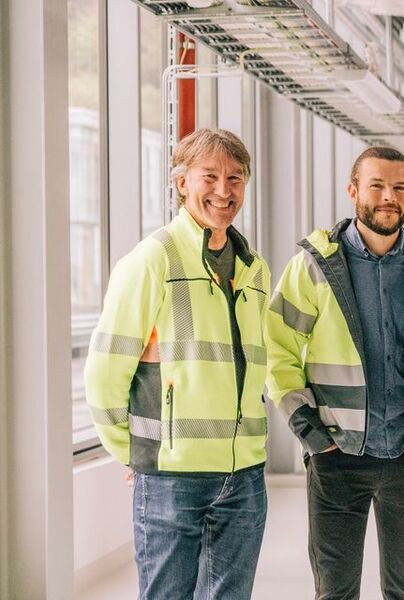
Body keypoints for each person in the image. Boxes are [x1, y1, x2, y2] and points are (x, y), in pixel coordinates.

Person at [266, 146, 404, 600]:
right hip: (336, 456)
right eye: (377, 185)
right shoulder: (314, 267)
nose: (388, 197)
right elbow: (277, 352)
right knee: (335, 591)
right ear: (353, 190)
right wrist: (310, 432)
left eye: (399, 187)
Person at [84, 128, 271, 599]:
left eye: (235, 178)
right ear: (181, 182)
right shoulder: (153, 260)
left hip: (245, 473)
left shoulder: (255, 269)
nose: (224, 190)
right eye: (210, 176)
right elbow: (105, 372)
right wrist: (135, 452)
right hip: (173, 477)